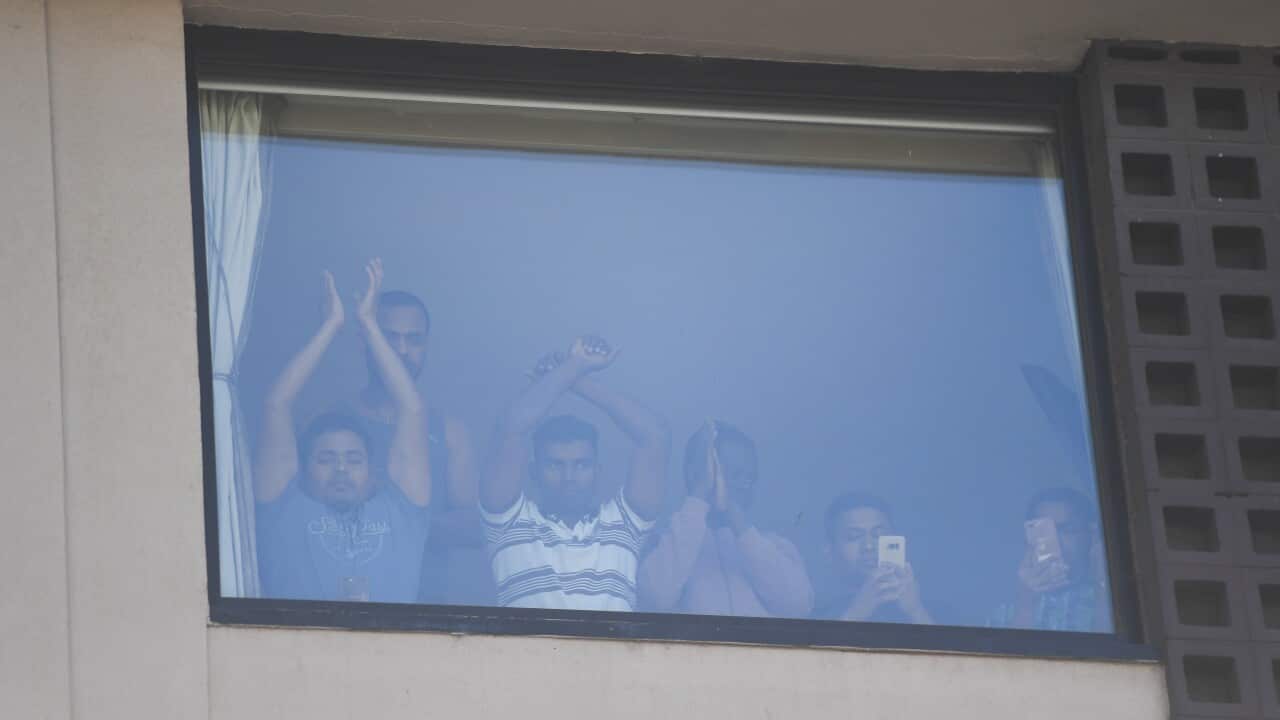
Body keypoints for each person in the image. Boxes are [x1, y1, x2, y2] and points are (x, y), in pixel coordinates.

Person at [253, 259, 432, 603]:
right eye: (325, 459)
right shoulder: (284, 512)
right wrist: (331, 326)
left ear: (375, 473)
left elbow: (411, 409)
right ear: (302, 470)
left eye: (354, 460)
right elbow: (276, 404)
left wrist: (369, 325)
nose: (341, 469)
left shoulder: (401, 514)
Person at [481, 335, 669, 610]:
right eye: (555, 465)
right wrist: (572, 367)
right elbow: (511, 428)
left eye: (581, 465)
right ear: (533, 472)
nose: (569, 477)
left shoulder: (625, 526)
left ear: (598, 471)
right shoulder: (508, 525)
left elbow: (655, 435)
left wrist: (575, 377)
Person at [338, 288, 480, 604]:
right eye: (390, 338)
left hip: (424, 611)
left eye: (414, 340)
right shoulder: (331, 424)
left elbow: (474, 527)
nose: (402, 350)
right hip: (340, 608)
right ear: (366, 340)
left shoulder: (449, 431)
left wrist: (398, 521)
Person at [637, 421, 812, 617]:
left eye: (750, 478)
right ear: (696, 474)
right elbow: (655, 597)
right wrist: (699, 495)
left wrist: (736, 518)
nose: (744, 485)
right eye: (734, 475)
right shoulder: (662, 544)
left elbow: (797, 606)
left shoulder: (775, 546)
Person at [989, 487, 1111, 632]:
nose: (1055, 541)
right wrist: (1025, 603)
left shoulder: (1112, 602)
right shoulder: (1004, 614)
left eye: (1067, 530)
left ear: (1092, 535)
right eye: (1043, 532)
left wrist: (1102, 587)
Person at [813, 493, 933, 624]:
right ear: (829, 551)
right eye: (854, 536)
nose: (869, 546)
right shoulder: (813, 617)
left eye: (879, 535)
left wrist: (916, 611)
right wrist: (857, 613)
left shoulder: (936, 613)